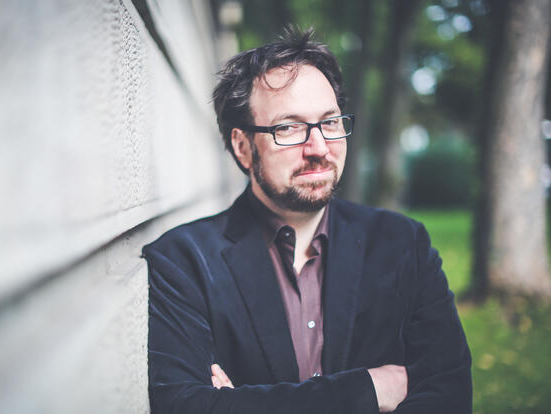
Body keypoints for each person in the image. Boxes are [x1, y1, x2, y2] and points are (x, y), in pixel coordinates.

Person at [142, 29, 472, 413]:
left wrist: (242, 403)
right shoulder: (184, 262)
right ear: (243, 146)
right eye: (289, 128)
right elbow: (186, 407)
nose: (319, 148)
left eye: (330, 122)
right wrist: (366, 390)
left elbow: (449, 397)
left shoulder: (403, 244)